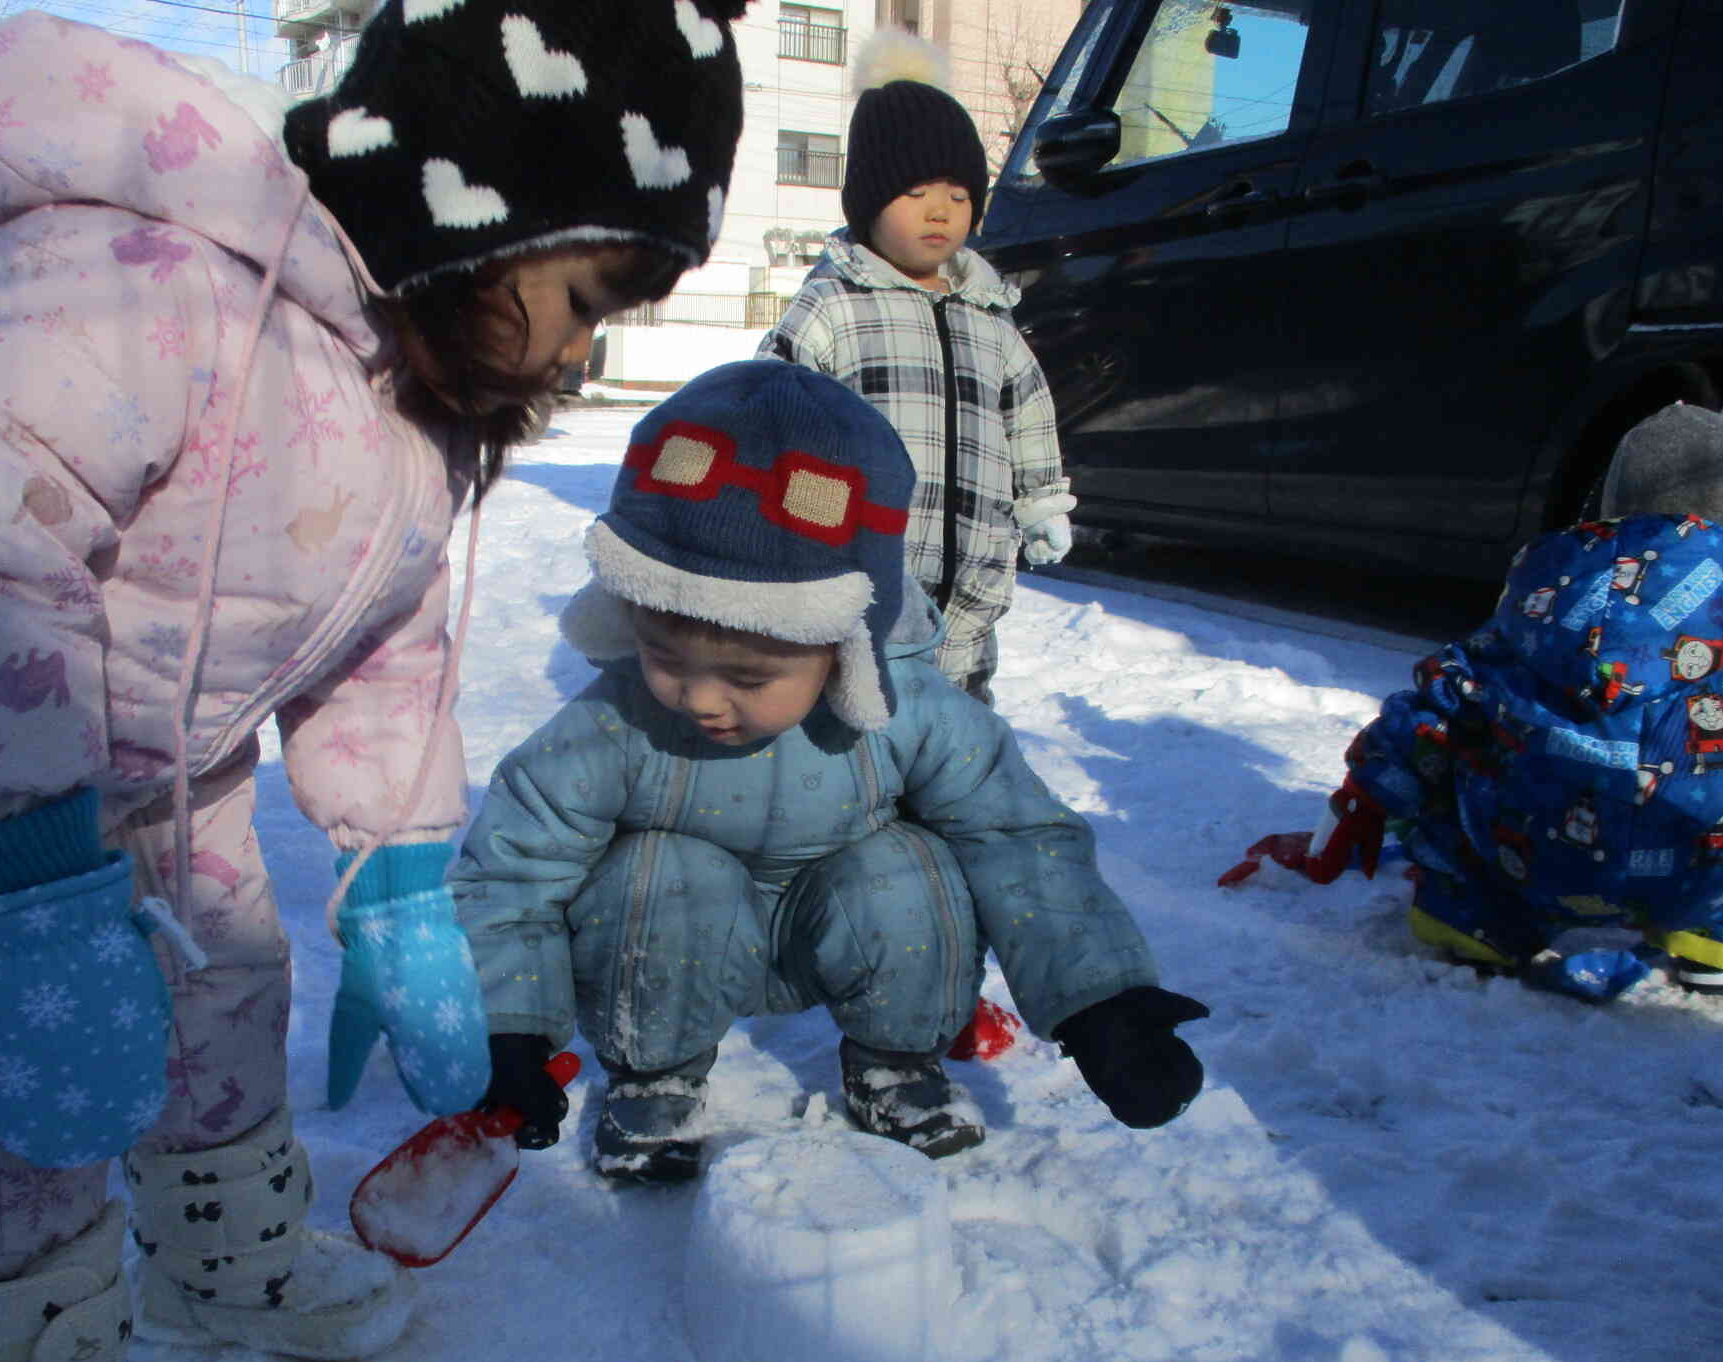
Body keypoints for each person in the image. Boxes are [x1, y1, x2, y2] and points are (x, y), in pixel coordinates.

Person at [0, 1, 746, 1362]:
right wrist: (21, 894)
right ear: (470, 208)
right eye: (584, 292)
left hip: (153, 766)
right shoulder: (136, 290)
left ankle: (223, 1248)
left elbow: (386, 645)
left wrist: (401, 872)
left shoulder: (410, 407)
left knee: (228, 977)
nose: (579, 345)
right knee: (12, 1071)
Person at [451, 359, 1208, 1186]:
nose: (700, 698)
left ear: (844, 642)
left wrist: (1101, 1001)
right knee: (661, 872)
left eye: (747, 678)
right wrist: (505, 1026)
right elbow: (511, 870)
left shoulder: (906, 707)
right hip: (676, 947)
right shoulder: (615, 721)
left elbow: (1016, 834)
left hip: (844, 926)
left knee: (909, 866)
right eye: (664, 655)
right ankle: (657, 1075)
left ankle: (895, 1059)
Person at [1312, 403, 1723, 1000]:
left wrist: (1364, 797)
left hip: (1526, 861)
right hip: (1709, 865)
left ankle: (1474, 919)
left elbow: (1436, 707)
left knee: (1471, 737)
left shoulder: (1543, 600)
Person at [758, 29, 1072, 704]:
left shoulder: (990, 312)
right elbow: (771, 407)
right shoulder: (833, 306)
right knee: (857, 693)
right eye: (917, 192)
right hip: (862, 567)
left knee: (959, 704)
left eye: (959, 195)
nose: (940, 210)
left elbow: (1029, 409)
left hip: (975, 571)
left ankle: (951, 793)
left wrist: (1042, 500)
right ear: (870, 203)